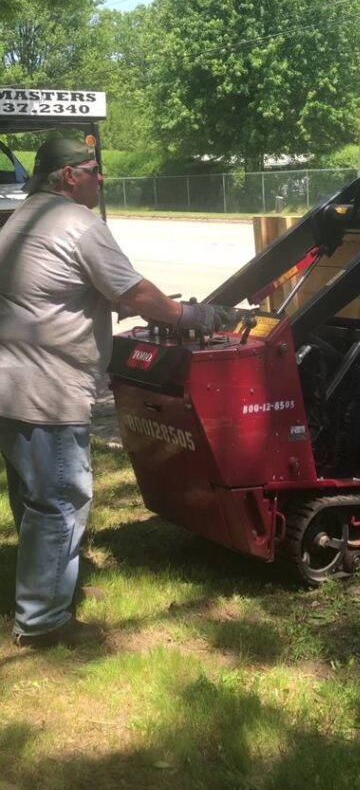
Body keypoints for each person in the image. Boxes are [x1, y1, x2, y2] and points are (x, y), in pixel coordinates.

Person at [0, 135, 231, 649]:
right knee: (61, 499)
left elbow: (52, 291)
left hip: (10, 385)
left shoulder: (21, 219)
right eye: (92, 169)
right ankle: (43, 622)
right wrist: (192, 315)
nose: (100, 177)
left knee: (34, 497)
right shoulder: (78, 224)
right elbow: (137, 292)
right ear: (67, 176)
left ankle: (47, 589)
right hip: (48, 389)